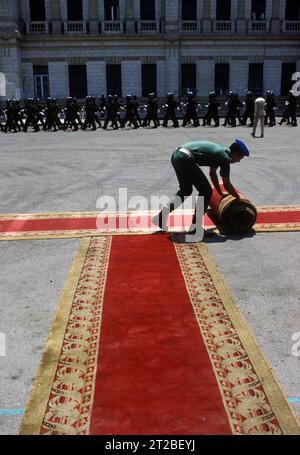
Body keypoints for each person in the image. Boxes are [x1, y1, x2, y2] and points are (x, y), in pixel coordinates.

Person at [152, 139, 250, 236]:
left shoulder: (221, 152)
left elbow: (213, 174)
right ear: (237, 153)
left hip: (177, 155)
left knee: (185, 191)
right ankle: (195, 227)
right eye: (240, 158)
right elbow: (227, 184)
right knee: (206, 190)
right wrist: (238, 197)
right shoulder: (224, 158)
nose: (238, 161)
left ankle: (161, 216)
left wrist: (220, 192)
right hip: (186, 158)